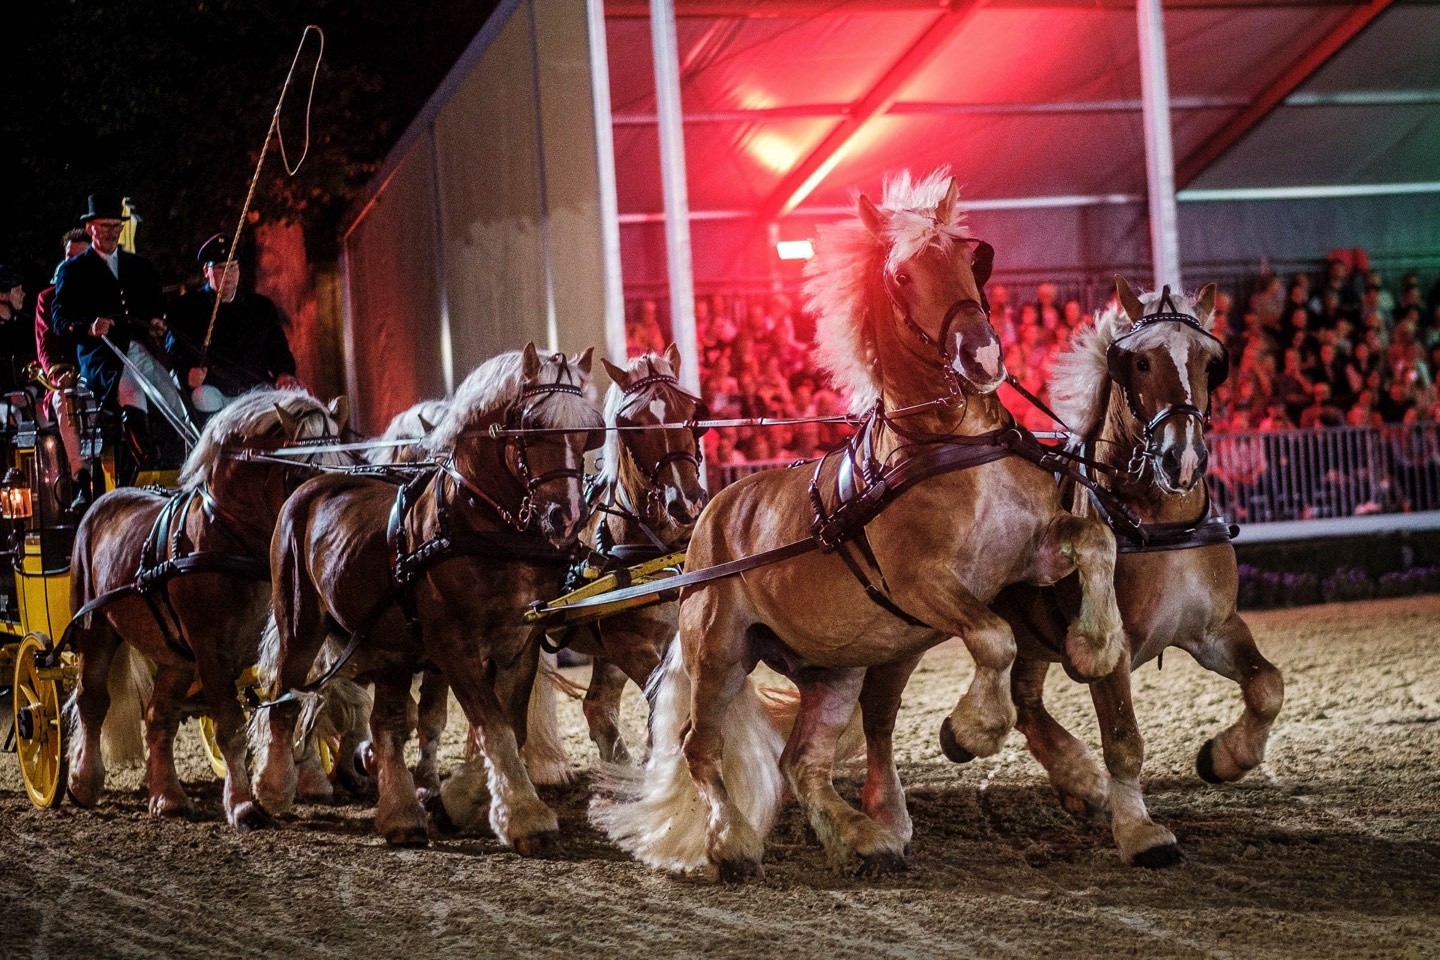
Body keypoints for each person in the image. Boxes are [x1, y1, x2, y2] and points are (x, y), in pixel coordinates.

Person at [53, 193, 190, 481]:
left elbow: (154, 307)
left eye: (116, 226)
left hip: (141, 348)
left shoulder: (139, 266)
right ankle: (145, 470)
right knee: (132, 391)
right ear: (91, 228)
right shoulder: (72, 271)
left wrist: (155, 323)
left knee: (171, 396)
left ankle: (181, 464)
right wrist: (89, 327)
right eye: (105, 226)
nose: (111, 233)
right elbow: (60, 320)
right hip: (103, 354)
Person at [166, 233, 301, 421]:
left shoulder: (260, 307)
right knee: (201, 398)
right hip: (214, 394)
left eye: (232, 268)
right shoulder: (187, 308)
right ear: (207, 270)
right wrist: (187, 372)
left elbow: (278, 349)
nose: (227, 275)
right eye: (220, 268)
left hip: (254, 392)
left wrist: (284, 373)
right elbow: (173, 350)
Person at [0, 264, 35, 396]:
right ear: (2, 295)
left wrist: (34, 388)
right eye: (17, 290)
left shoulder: (26, 324)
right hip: (4, 397)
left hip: (25, 392)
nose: (23, 294)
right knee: (13, 415)